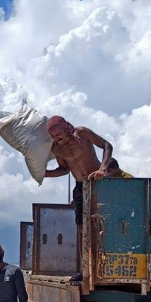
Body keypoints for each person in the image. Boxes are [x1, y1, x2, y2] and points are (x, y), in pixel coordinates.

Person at [44, 115, 114, 281]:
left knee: (105, 225)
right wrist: (45, 174)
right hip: (80, 186)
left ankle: (109, 265)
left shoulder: (82, 133)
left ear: (66, 127)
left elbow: (107, 146)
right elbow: (64, 169)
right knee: (82, 229)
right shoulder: (56, 149)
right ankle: (85, 270)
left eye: (59, 134)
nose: (57, 138)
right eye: (53, 136)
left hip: (99, 183)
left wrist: (103, 169)